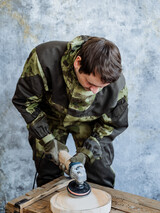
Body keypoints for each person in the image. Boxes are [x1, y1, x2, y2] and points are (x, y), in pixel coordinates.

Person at [12, 35, 128, 188]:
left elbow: (113, 124)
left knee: (100, 174)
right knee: (48, 173)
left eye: (102, 87)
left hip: (90, 122)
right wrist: (48, 141)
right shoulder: (43, 59)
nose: (95, 91)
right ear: (78, 63)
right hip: (49, 118)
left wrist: (87, 153)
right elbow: (25, 101)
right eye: (90, 84)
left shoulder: (116, 83)